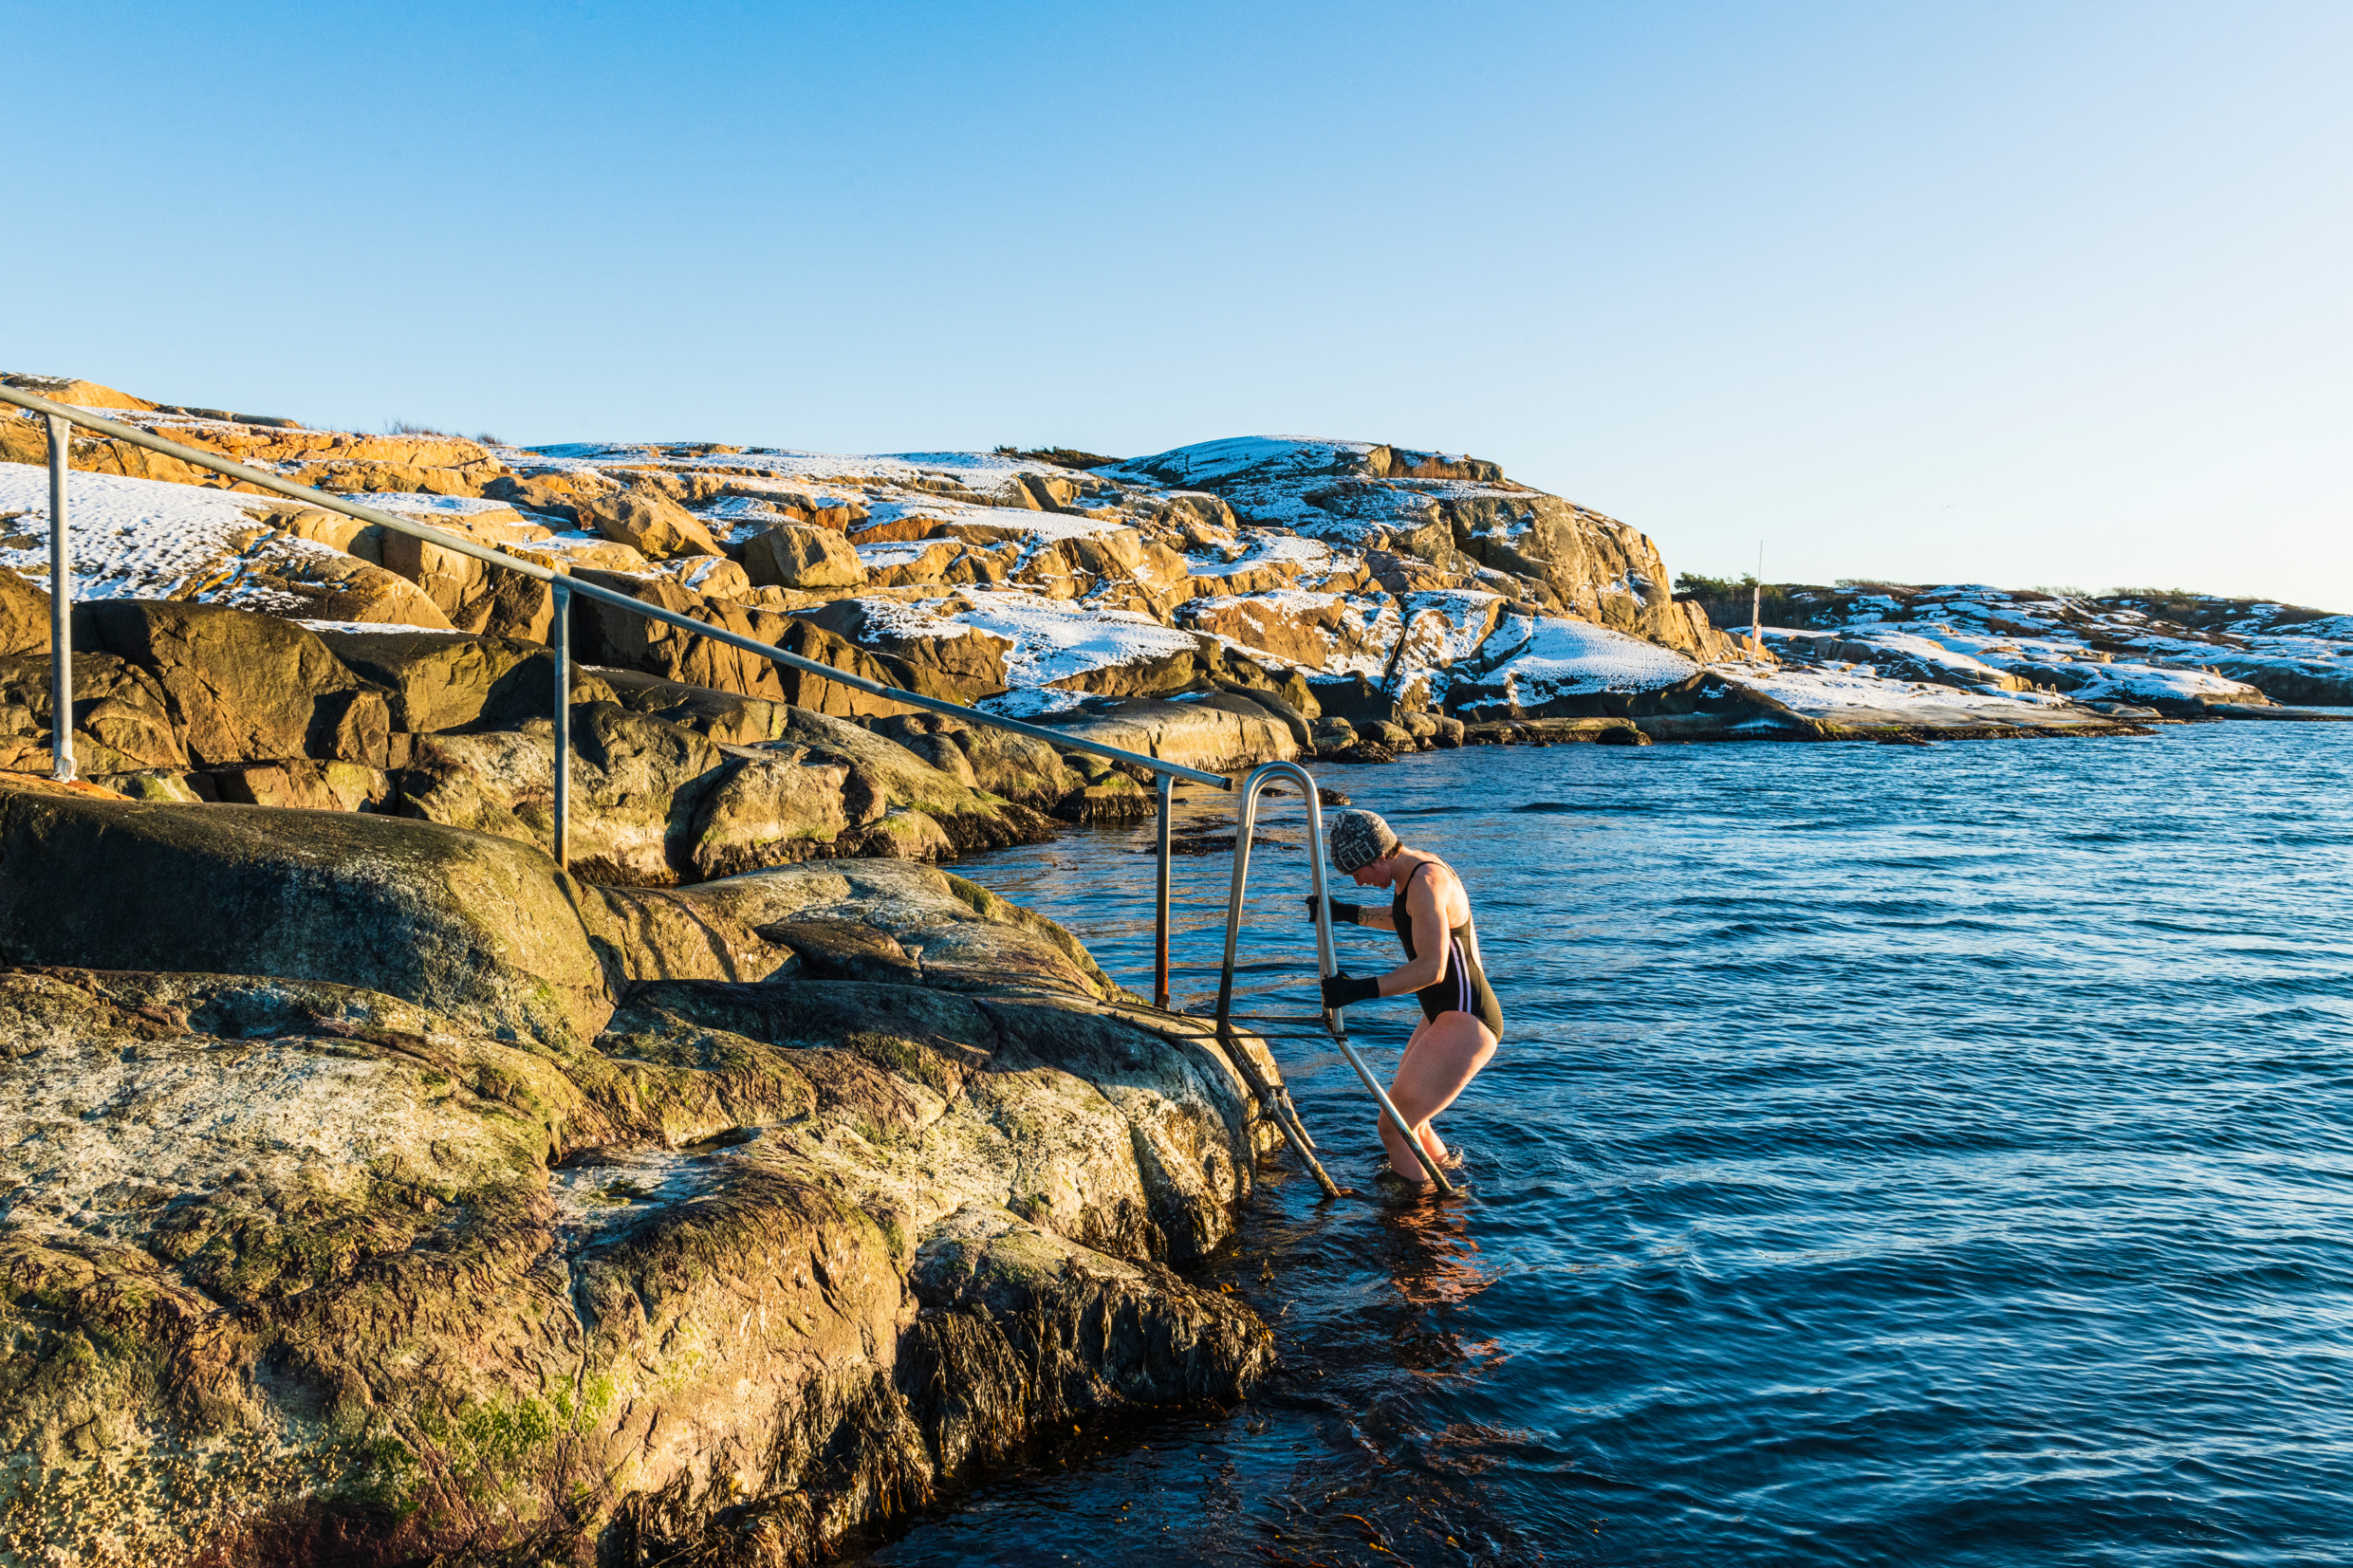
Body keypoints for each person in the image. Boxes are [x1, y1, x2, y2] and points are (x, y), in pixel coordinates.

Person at [1306, 808, 1503, 1184]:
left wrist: (1358, 990)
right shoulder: (1413, 875)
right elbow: (1406, 917)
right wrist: (1346, 912)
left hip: (1467, 1018)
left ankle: (1416, 1221)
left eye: (1357, 872)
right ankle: (1444, 1197)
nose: (1358, 882)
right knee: (1411, 1122)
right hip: (1446, 1013)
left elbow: (1433, 969)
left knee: (1393, 1127)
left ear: (1380, 855)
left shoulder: (1426, 880)